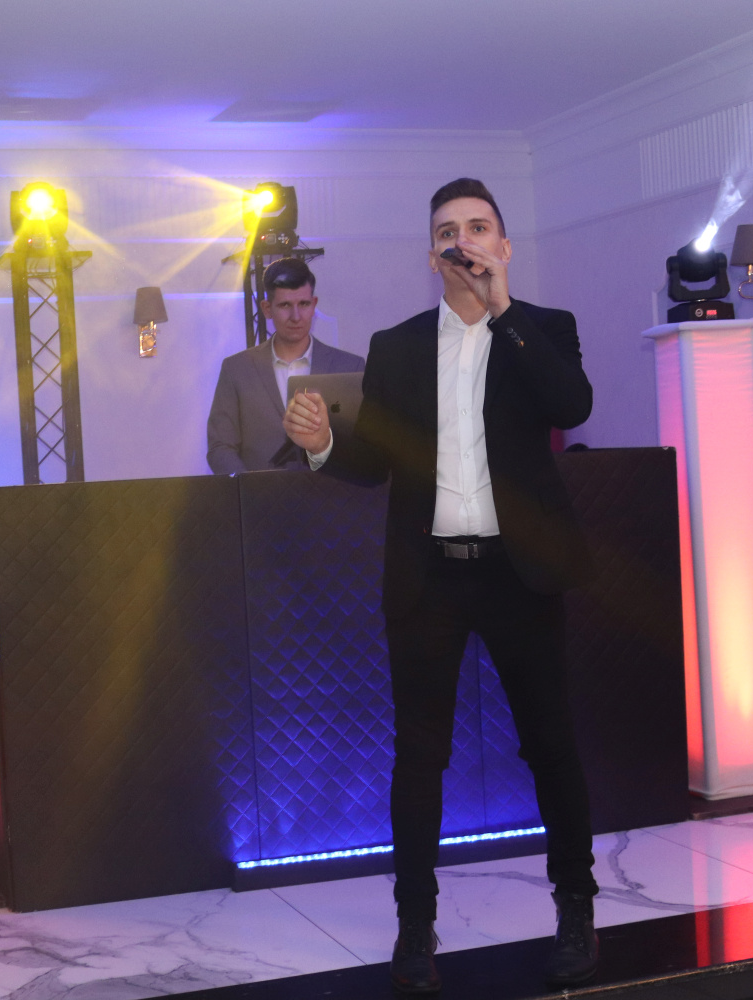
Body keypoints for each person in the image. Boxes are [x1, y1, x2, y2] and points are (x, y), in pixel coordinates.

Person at [283, 178, 598, 993]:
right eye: (449, 231)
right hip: (430, 578)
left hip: (519, 574)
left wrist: (503, 310)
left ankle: (576, 905)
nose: (464, 240)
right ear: (432, 255)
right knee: (420, 756)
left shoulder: (544, 329)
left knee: (550, 744)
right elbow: (374, 463)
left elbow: (572, 404)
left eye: (479, 227)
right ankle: (415, 925)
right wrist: (323, 445)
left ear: (503, 246)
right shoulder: (396, 348)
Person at [206, 257, 363, 473]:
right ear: (267, 308)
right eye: (285, 305)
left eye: (303, 304)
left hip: (329, 491)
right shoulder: (236, 370)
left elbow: (362, 448)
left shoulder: (350, 367)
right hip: (258, 493)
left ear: (314, 304)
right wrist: (249, 487)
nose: (296, 316)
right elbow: (220, 447)